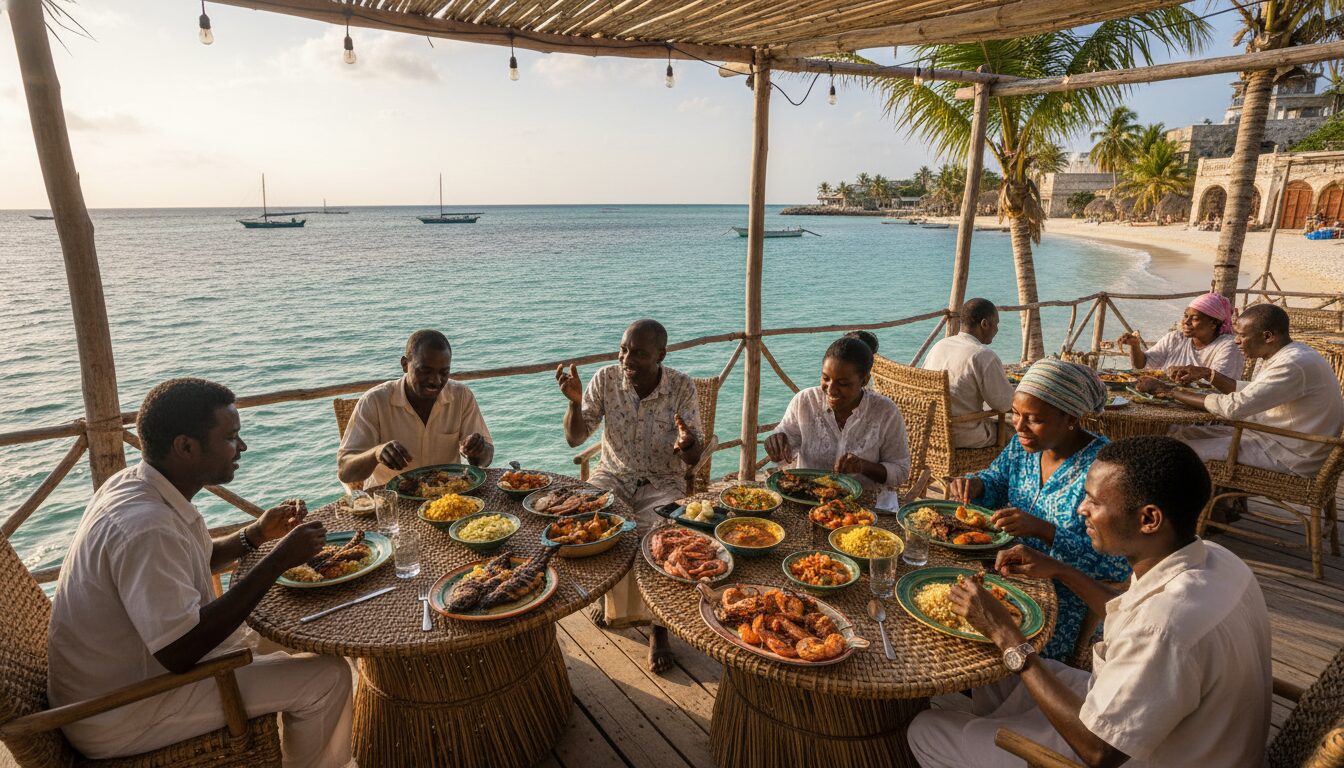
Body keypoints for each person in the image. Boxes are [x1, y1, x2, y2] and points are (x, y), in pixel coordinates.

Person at [909, 436, 1272, 768]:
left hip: (1135, 753)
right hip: (1163, 720)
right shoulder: (1215, 558)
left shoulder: (1165, 626)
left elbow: (1099, 751)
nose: (1082, 509)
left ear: (1149, 519)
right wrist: (1060, 570)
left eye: (1095, 502)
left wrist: (1008, 636)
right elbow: (1130, 615)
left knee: (926, 728)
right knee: (993, 669)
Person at [48, 378, 354, 767]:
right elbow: (180, 650)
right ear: (186, 446)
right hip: (125, 708)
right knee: (328, 677)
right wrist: (277, 560)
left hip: (127, 672)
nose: (241, 447)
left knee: (315, 631)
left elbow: (190, 562)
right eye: (231, 437)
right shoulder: (147, 527)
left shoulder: (137, 485)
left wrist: (256, 535)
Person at [947, 359, 1130, 661]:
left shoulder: (1104, 469)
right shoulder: (1024, 446)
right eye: (1016, 414)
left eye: (1033, 418)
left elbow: (1115, 565)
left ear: (1070, 418)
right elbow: (996, 481)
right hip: (1003, 573)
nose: (1018, 426)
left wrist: (1045, 531)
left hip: (1060, 601)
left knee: (964, 640)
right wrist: (975, 485)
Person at [556, 319, 703, 673]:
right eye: (623, 349)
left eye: (638, 353)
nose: (626, 359)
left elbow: (694, 455)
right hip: (614, 474)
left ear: (661, 355)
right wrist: (575, 404)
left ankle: (658, 626)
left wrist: (687, 445)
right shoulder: (606, 379)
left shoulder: (681, 386)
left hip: (663, 480)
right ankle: (613, 604)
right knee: (594, 523)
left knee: (657, 534)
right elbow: (575, 439)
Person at [1137, 303, 1344, 476]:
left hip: (1291, 453)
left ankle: (1188, 510)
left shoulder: (1292, 364)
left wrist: (1167, 390)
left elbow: (1235, 407)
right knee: (1178, 433)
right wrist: (1209, 374)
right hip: (1281, 439)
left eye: (1242, 336)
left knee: (1178, 451)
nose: (1236, 341)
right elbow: (1255, 390)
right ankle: (1216, 501)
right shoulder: (1290, 354)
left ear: (1268, 336)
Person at [338, 329, 492, 489]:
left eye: (444, 372)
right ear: (405, 364)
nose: (435, 380)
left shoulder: (461, 395)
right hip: (391, 502)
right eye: (425, 371)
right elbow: (345, 471)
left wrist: (477, 452)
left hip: (447, 502)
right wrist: (376, 453)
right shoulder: (374, 401)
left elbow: (486, 459)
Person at [764, 335, 911, 492]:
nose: (831, 389)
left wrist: (863, 466)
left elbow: (901, 471)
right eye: (825, 378)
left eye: (843, 384)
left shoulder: (885, 411)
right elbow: (783, 447)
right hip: (806, 497)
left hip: (864, 507)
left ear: (865, 380)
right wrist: (775, 445)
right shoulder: (805, 401)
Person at [922, 298, 1016, 449]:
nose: (997, 330)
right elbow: (1004, 404)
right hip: (963, 434)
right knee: (1021, 432)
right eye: (996, 324)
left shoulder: (939, 346)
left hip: (932, 430)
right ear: (984, 324)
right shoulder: (983, 355)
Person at [1115, 292, 1244, 380]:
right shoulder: (1175, 338)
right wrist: (1135, 346)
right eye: (1185, 316)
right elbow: (1142, 365)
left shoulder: (1228, 345)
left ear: (1214, 323)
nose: (1186, 322)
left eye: (1194, 318)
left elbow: (1219, 384)